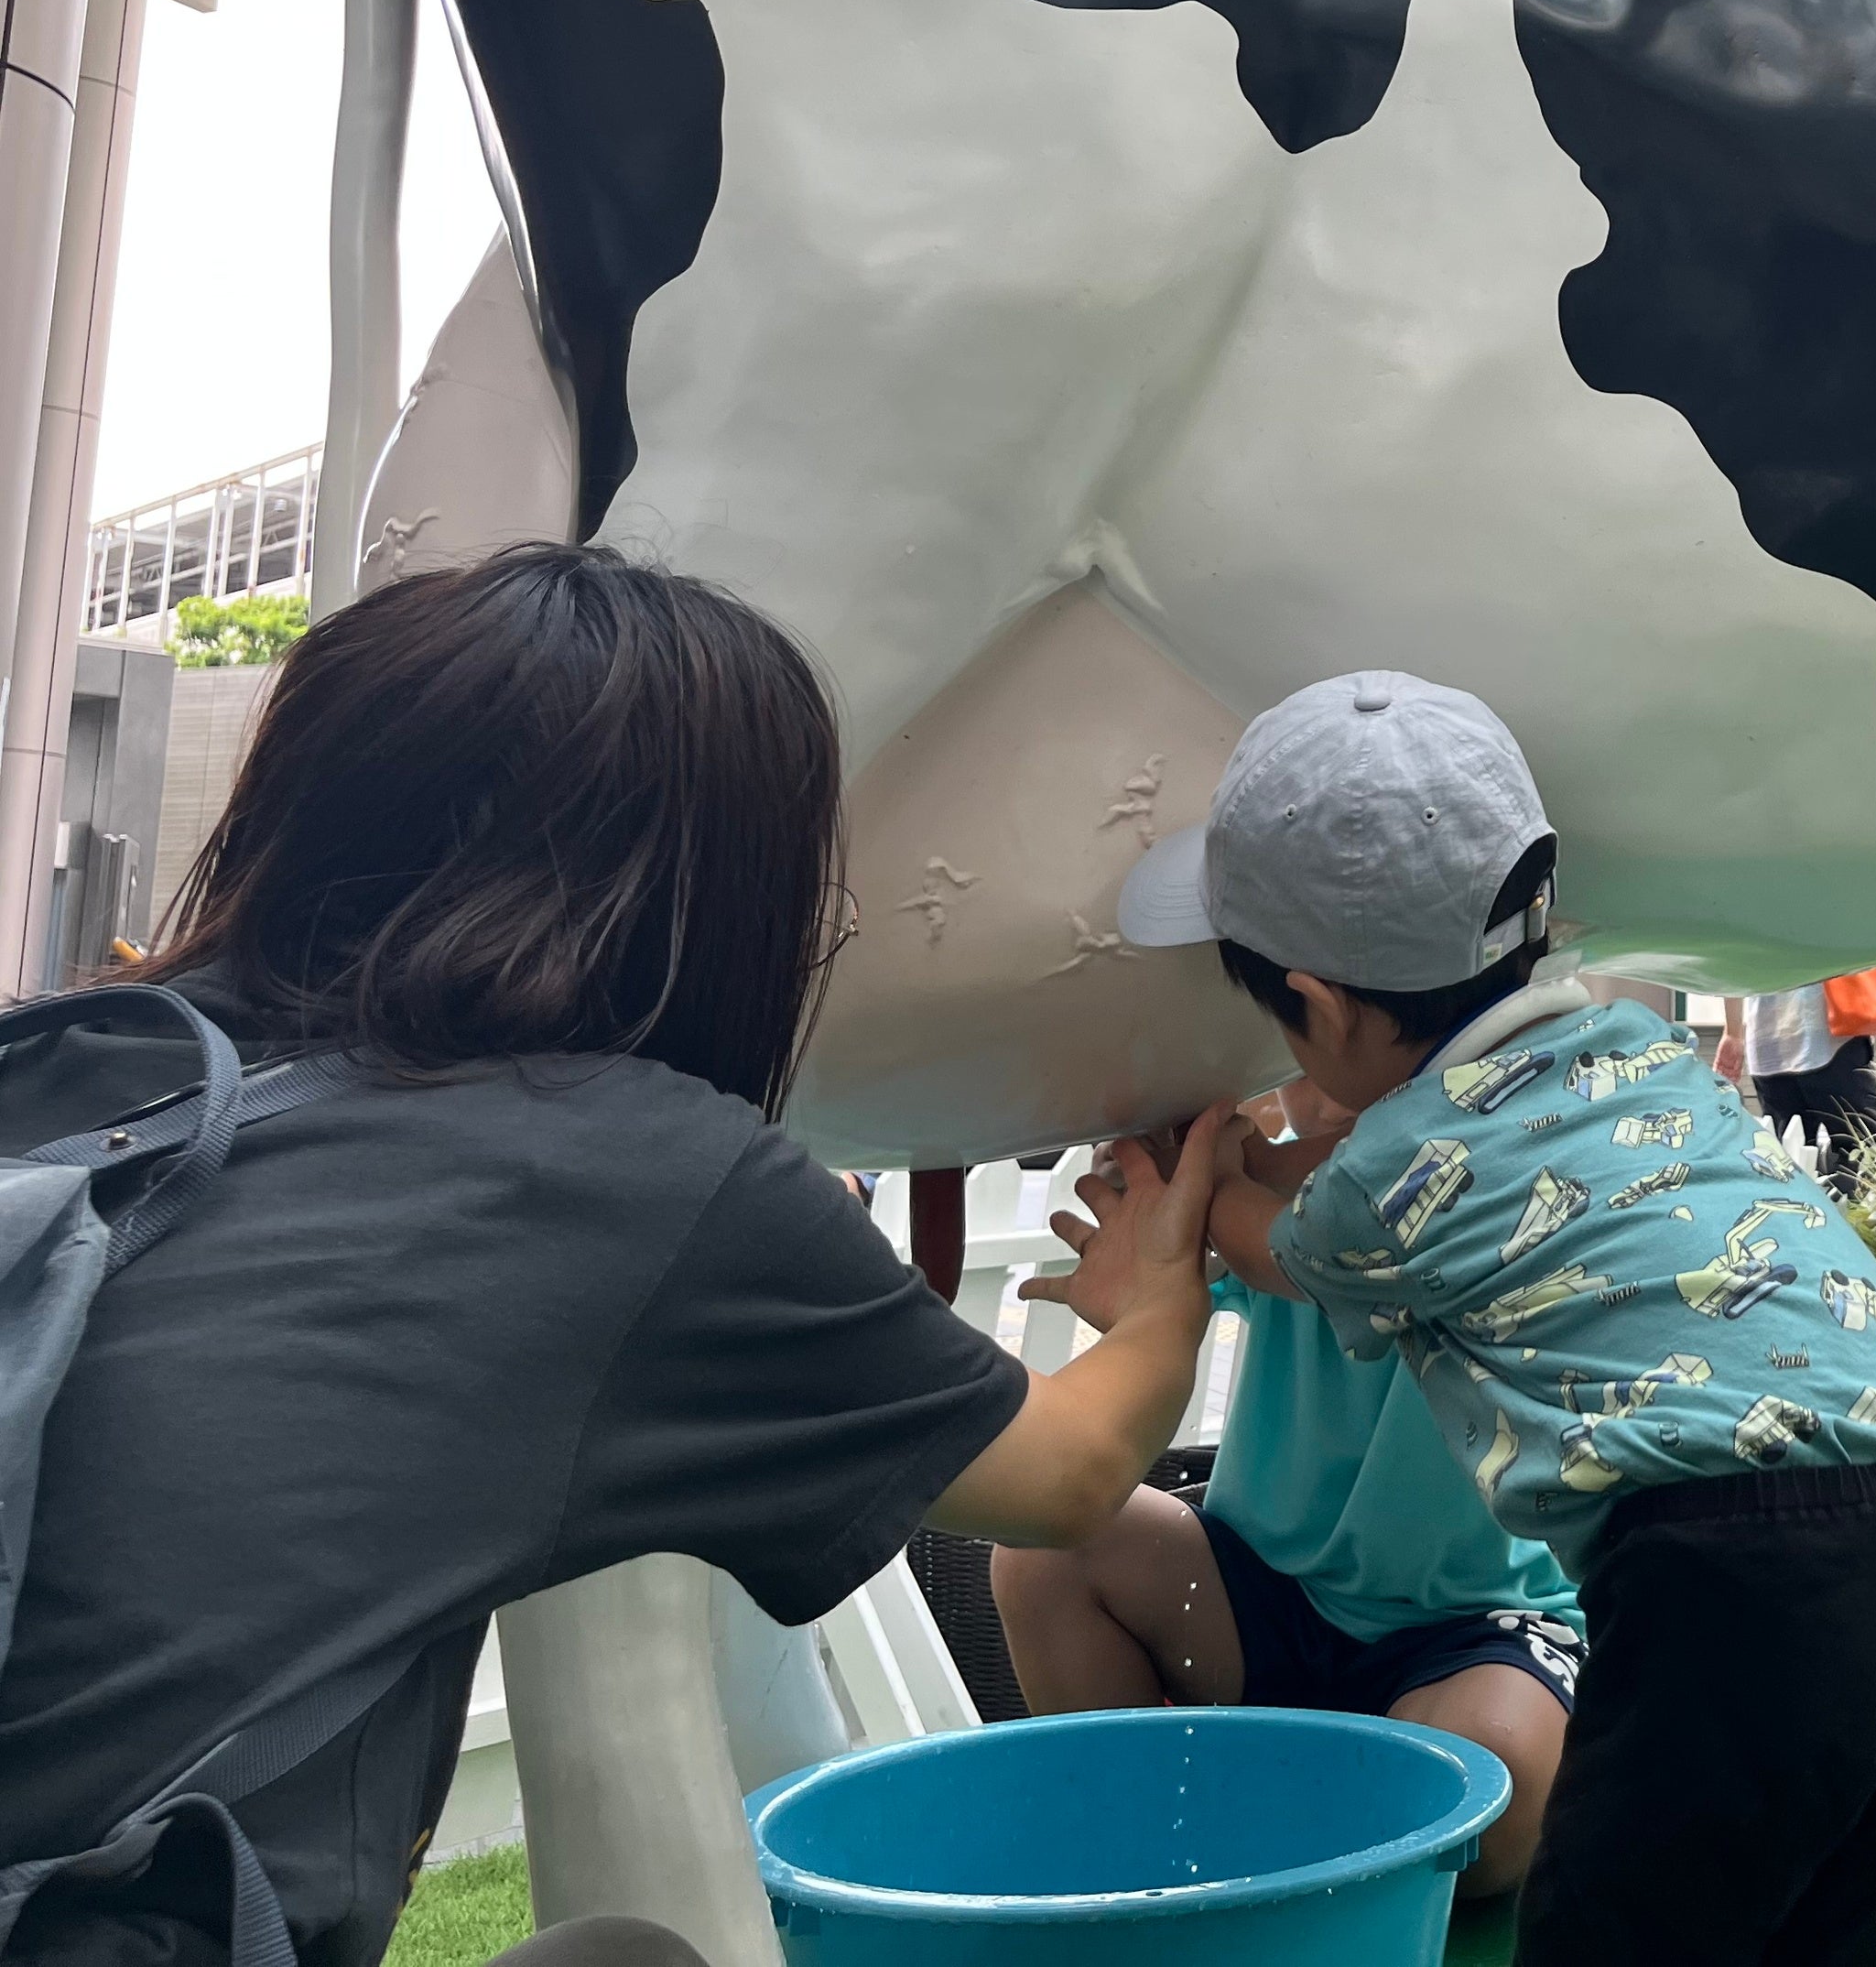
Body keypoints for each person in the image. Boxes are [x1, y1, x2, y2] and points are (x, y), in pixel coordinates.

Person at [0, 547, 1225, 1964]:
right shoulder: (632, 1162)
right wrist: (1162, 1297)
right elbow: (1068, 1473)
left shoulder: (71, 1056)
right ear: (713, 895)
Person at [1136, 671, 1876, 1967]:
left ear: (1322, 1007)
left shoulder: (1391, 1175)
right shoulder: (1644, 1059)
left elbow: (1270, 1242)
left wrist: (1190, 1173)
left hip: (1730, 1579)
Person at [988, 1075, 1584, 1898]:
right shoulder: (1272, 1197)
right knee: (1045, 1555)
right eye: (1304, 1058)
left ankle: (1264, 1831)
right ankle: (1149, 1839)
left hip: (1472, 1627)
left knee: (1492, 1787)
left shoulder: (1494, 1186)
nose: (1333, 1092)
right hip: (1261, 1595)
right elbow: (1169, 1264)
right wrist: (1149, 1196)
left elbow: (1330, 1233)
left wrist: (1222, 1183)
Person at [1720, 983, 1876, 1198]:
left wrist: (1733, 1033)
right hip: (1831, 1031)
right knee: (1862, 1154)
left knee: (1788, 1164)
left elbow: (1730, 968)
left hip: (1769, 1038)